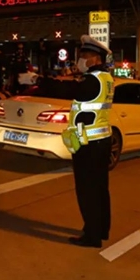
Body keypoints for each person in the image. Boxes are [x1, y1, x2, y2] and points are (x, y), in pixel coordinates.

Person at [52, 35, 114, 248]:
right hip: (100, 140)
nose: (81, 59)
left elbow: (67, 91)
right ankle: (100, 229)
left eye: (84, 56)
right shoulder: (106, 78)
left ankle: (92, 236)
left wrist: (39, 81)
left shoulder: (92, 80)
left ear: (95, 58)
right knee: (100, 190)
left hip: (89, 145)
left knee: (87, 191)